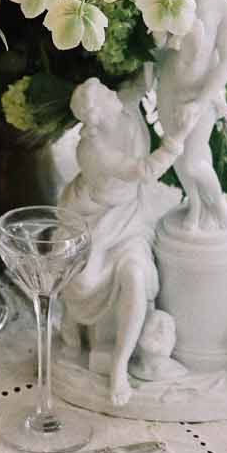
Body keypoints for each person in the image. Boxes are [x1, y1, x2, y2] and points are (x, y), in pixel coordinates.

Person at [58, 78, 183, 406]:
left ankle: (119, 366)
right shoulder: (93, 150)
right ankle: (74, 330)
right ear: (97, 113)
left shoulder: (121, 106)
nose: (113, 92)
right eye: (106, 93)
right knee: (84, 280)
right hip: (99, 218)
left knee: (136, 277)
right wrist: (177, 140)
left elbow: (142, 81)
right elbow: (142, 170)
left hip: (132, 217)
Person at [152, 0, 227, 234]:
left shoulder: (226, 9)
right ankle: (196, 206)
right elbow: (161, 49)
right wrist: (158, 32)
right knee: (177, 155)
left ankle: (220, 207)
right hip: (169, 89)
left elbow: (226, 63)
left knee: (193, 161)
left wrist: (200, 103)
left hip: (199, 96)